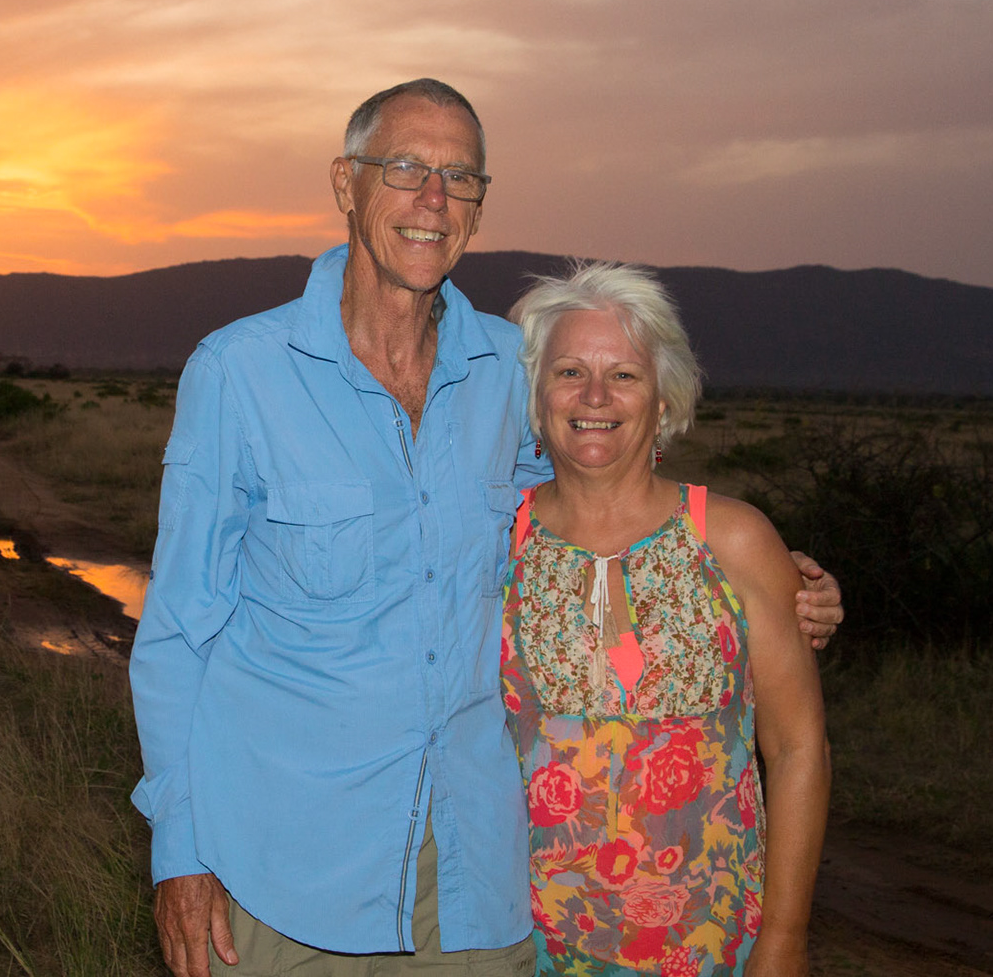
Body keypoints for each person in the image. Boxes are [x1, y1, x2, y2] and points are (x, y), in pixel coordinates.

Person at [129, 80, 842, 977]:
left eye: (460, 179)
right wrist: (182, 851)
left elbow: (604, 500)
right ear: (346, 183)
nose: (433, 199)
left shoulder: (512, 370)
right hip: (287, 870)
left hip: (475, 881)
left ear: (478, 206)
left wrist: (778, 583)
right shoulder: (239, 373)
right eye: (406, 169)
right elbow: (177, 635)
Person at [501, 263, 830, 976]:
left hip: (718, 946)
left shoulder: (733, 540)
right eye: (568, 371)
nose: (594, 396)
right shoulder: (494, 547)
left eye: (623, 374)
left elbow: (799, 747)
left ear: (663, 397)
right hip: (529, 949)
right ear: (535, 393)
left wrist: (785, 940)